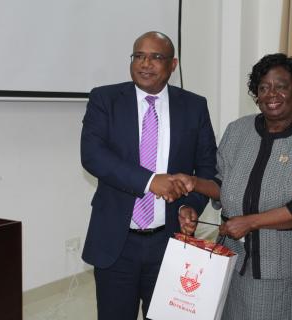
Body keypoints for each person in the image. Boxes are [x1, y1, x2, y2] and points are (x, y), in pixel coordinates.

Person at [175, 53, 292, 320]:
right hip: (230, 257)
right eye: (263, 87)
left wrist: (251, 222)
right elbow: (221, 184)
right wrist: (194, 185)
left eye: (281, 86)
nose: (271, 93)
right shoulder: (238, 130)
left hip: (282, 265)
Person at [80, 31, 217, 320]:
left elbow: (206, 169)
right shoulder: (105, 99)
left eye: (156, 57)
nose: (145, 64)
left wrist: (188, 205)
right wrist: (150, 181)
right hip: (116, 242)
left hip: (170, 242)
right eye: (139, 56)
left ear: (173, 64)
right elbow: (93, 155)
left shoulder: (194, 106)